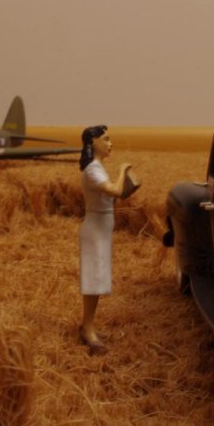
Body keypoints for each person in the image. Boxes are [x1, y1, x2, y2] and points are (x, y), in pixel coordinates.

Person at [78, 125, 133, 355]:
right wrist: (122, 171)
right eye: (106, 139)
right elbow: (114, 191)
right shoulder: (93, 170)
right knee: (92, 280)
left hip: (101, 230)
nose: (111, 143)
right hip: (94, 232)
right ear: (93, 142)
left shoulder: (98, 168)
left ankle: (88, 324)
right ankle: (87, 328)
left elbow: (111, 196)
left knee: (97, 279)